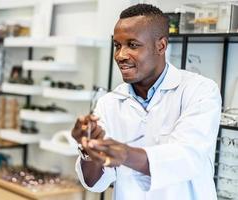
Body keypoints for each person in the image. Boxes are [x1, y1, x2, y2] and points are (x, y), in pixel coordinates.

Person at [72, 3, 221, 200]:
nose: (120, 55)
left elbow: (188, 156)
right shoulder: (109, 103)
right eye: (117, 45)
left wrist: (125, 154)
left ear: (161, 46)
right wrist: (88, 149)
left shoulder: (199, 91)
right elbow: (94, 182)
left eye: (132, 45)